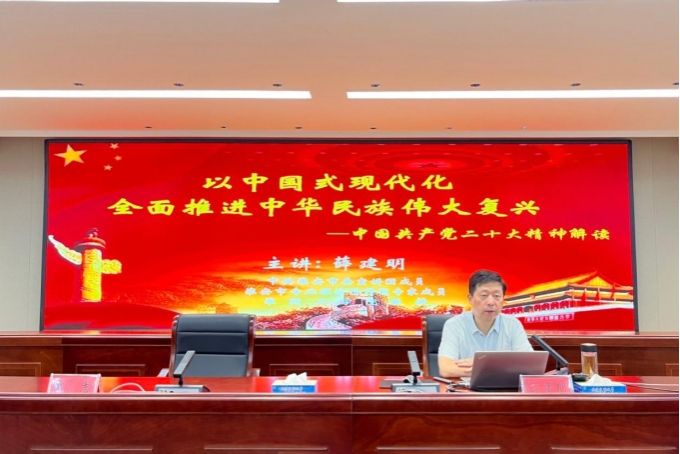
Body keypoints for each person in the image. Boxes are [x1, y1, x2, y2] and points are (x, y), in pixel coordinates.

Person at [438, 269, 532, 377]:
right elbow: (446, 369)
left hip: (503, 386)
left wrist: (482, 365)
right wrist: (503, 366)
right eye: (484, 295)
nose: (491, 302)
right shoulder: (454, 325)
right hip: (466, 387)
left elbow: (529, 365)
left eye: (496, 296)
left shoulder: (513, 324)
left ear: (503, 300)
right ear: (470, 298)